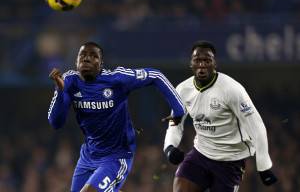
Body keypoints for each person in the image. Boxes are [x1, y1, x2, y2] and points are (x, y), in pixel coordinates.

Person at [47, 41, 185, 192]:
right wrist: (60, 92)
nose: (86, 59)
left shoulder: (116, 79)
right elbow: (56, 122)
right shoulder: (68, 82)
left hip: (117, 156)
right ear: (76, 61)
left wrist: (178, 110)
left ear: (101, 64)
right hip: (88, 156)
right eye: (83, 55)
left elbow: (155, 75)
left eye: (93, 56)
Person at [163, 41, 277, 192]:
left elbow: (256, 126)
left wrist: (264, 166)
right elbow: (175, 124)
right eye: (197, 60)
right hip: (201, 154)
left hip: (231, 160)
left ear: (214, 64)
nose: (202, 65)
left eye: (207, 60)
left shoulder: (232, 89)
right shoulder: (183, 90)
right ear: (191, 64)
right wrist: (170, 147)